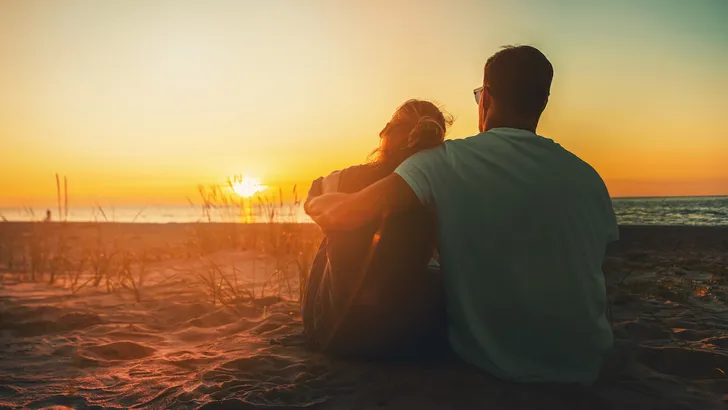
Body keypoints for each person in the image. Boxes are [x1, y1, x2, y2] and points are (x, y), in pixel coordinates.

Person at [305, 45, 619, 385]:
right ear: (542, 103)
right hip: (585, 365)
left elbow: (345, 215)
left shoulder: (443, 162)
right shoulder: (589, 178)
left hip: (495, 366)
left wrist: (321, 200)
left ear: (486, 98)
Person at [302, 99, 453, 360]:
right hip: (404, 338)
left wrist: (328, 210)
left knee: (328, 243)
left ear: (385, 133)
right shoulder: (436, 187)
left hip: (336, 333)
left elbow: (313, 195)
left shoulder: (350, 177)